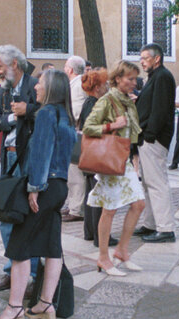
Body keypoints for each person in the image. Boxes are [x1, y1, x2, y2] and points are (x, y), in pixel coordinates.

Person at [0, 68, 77, 319]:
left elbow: (41, 151)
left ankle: (14, 310)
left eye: (41, 84)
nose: (36, 87)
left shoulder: (47, 113)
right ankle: (45, 305)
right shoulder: (66, 115)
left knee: (19, 246)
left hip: (45, 185)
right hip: (59, 186)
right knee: (52, 245)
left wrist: (34, 187)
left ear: (51, 89)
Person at [83, 61, 147, 275]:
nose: (133, 82)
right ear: (117, 79)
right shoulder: (107, 100)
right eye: (129, 78)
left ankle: (121, 250)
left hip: (123, 158)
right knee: (109, 209)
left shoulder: (127, 101)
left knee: (138, 204)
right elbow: (87, 127)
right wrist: (113, 126)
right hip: (110, 160)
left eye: (135, 79)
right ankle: (103, 257)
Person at [0, 45, 40, 290]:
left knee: (30, 217)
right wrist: (11, 118)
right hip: (8, 159)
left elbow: (52, 112)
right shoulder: (2, 91)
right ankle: (12, 270)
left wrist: (27, 110)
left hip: (29, 158)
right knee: (6, 215)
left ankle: (34, 274)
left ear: (14, 64)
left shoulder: (35, 86)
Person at [132, 43, 177, 242]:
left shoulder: (163, 77)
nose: (141, 62)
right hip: (147, 138)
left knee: (157, 183)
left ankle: (166, 229)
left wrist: (149, 135)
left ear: (156, 58)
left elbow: (159, 109)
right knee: (149, 184)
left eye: (145, 58)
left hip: (153, 139)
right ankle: (150, 224)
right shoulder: (156, 77)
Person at [76, 68, 113, 245]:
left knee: (91, 193)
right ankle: (101, 236)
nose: (107, 87)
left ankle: (90, 232)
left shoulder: (87, 102)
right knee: (99, 193)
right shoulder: (95, 104)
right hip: (96, 153)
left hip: (88, 154)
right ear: (97, 87)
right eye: (105, 84)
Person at [61, 55, 88, 222]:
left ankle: (76, 209)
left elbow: (76, 110)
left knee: (75, 173)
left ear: (70, 69)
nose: (64, 69)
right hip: (72, 132)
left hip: (75, 134)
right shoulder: (75, 84)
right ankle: (72, 204)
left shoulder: (78, 85)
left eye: (65, 66)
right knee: (70, 173)